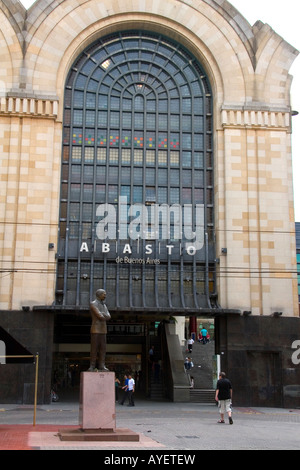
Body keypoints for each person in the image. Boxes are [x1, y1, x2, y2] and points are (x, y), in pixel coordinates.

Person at [88, 289, 111, 371]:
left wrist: (103, 314)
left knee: (103, 349)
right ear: (99, 294)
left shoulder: (104, 305)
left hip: (103, 330)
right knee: (94, 348)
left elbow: (109, 316)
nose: (105, 296)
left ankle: (102, 365)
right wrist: (104, 315)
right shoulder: (93, 304)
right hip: (96, 329)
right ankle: (92, 365)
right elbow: (99, 316)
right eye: (104, 294)